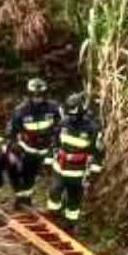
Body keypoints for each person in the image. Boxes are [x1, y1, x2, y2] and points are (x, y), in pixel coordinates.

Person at [46, 92, 105, 230]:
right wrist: (49, 159)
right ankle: (54, 215)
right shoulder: (63, 122)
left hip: (78, 171)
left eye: (74, 110)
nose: (71, 115)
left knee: (74, 198)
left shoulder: (93, 128)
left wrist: (94, 172)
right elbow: (54, 141)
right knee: (55, 190)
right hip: (59, 167)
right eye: (69, 110)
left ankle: (70, 224)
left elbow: (98, 152)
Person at [6, 78, 63, 210]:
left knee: (58, 176)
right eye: (34, 95)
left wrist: (58, 141)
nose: (38, 98)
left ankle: (57, 205)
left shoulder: (54, 107)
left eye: (40, 95)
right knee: (27, 175)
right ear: (29, 95)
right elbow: (12, 130)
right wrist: (13, 145)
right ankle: (24, 200)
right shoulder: (20, 110)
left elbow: (63, 124)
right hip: (29, 149)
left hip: (49, 149)